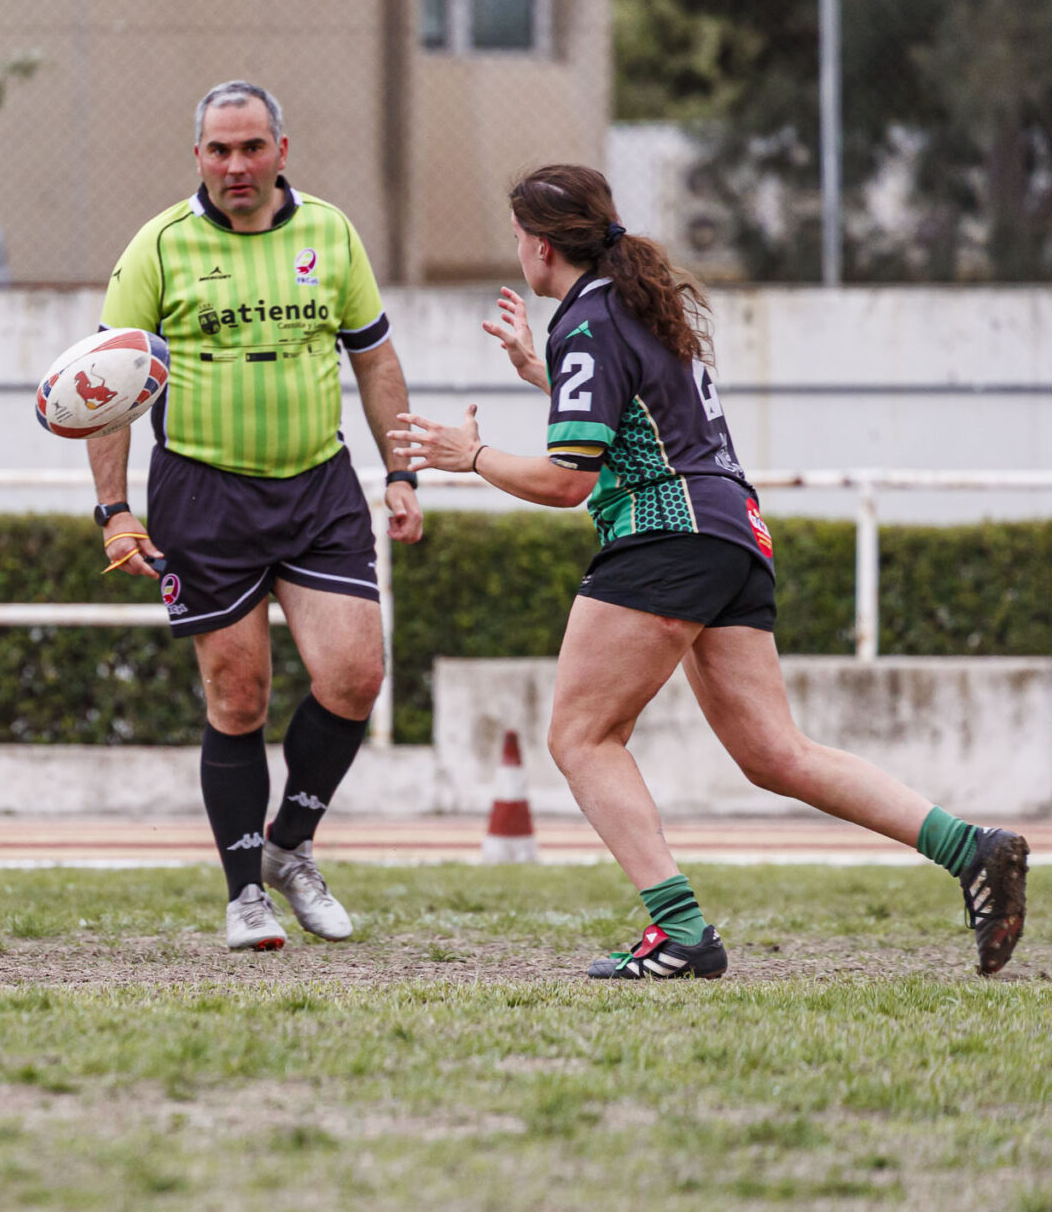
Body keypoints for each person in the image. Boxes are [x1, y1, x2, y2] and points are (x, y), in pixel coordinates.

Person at [390, 164, 1030, 980]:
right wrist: (538, 374)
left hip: (665, 535)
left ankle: (681, 931)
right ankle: (969, 847)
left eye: (518, 236)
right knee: (774, 753)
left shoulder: (586, 322)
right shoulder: (636, 306)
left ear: (540, 244)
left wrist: (468, 455)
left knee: (581, 736)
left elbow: (568, 479)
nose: (517, 250)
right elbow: (643, 420)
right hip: (733, 531)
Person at [90, 80, 423, 954]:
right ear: (197, 156)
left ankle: (290, 846)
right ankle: (246, 894)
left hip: (318, 487)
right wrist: (115, 512)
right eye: (218, 150)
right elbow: (104, 392)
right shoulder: (158, 246)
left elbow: (377, 363)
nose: (236, 165)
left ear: (283, 148)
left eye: (251, 147)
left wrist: (401, 470)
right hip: (205, 495)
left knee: (353, 677)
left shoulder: (332, 232)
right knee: (239, 695)